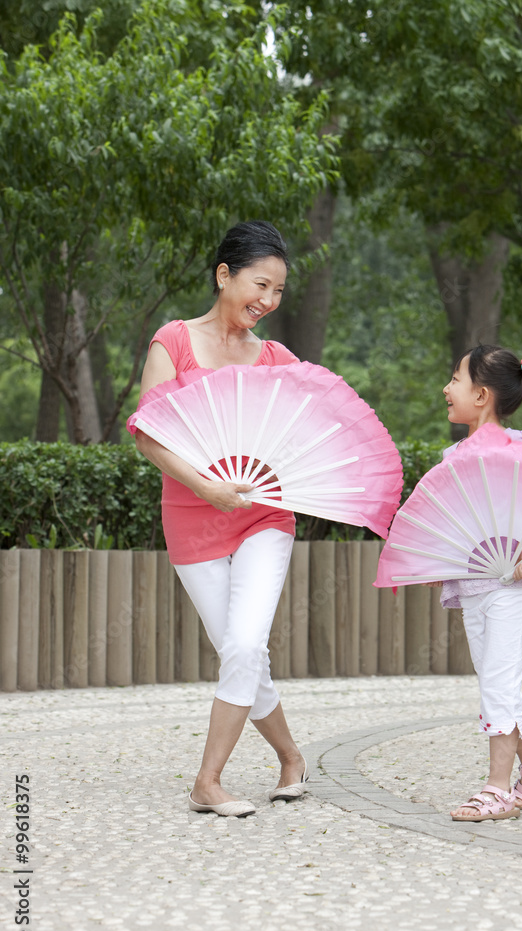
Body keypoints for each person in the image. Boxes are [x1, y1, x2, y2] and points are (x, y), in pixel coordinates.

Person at [129, 221, 308, 818]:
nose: (269, 301)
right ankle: (291, 759)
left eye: (279, 291)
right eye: (261, 284)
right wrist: (208, 485)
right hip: (192, 517)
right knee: (239, 652)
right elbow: (147, 435)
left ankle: (208, 781)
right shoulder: (173, 342)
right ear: (223, 275)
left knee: (244, 643)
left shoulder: (278, 357)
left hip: (264, 516)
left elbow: (299, 432)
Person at [437, 345, 522, 821]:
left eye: (455, 380)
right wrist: (436, 563)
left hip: (515, 586)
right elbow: (454, 523)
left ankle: (496, 787)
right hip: (473, 587)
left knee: (497, 681)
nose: (447, 389)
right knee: (497, 682)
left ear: (482, 394)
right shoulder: (452, 456)